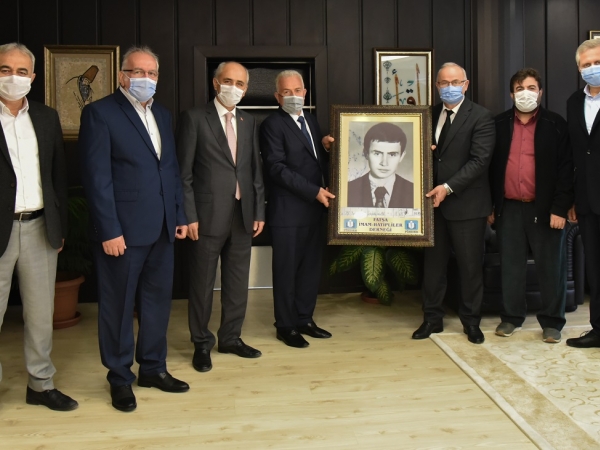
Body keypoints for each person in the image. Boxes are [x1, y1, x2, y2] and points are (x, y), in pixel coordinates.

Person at [79, 46, 189, 412]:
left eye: (152, 73)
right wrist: (109, 229)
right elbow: (97, 179)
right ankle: (120, 378)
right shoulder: (100, 113)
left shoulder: (162, 113)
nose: (145, 78)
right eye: (137, 71)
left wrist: (178, 215)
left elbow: (169, 170)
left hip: (162, 228)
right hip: (122, 233)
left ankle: (153, 368)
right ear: (122, 75)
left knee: (157, 302)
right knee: (118, 306)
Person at [0, 42, 77, 411]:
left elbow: (57, 175)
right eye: (5, 69)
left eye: (21, 71)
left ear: (32, 76)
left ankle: (41, 385)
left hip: (39, 227)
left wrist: (58, 227)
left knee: (40, 316)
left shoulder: (46, 117)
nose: (13, 77)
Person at [176, 61, 265, 372]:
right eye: (228, 81)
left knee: (237, 282)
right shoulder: (193, 118)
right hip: (205, 216)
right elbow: (184, 174)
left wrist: (259, 210)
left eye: (240, 84)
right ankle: (201, 343)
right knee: (202, 284)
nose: (234, 88)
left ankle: (230, 337)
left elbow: (254, 170)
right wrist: (188, 215)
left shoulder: (248, 121)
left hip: (243, 214)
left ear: (246, 89)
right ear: (216, 83)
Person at [412, 62, 495, 344]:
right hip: (432, 207)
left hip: (467, 205)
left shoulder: (481, 117)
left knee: (470, 268)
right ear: (436, 86)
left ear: (466, 85)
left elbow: (480, 161)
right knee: (433, 268)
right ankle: (431, 319)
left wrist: (447, 188)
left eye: (455, 82)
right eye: (444, 83)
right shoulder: (427, 115)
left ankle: (471, 322)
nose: (450, 87)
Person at [489, 68, 572, 343]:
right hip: (509, 207)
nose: (526, 93)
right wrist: (491, 206)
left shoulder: (555, 124)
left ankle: (552, 322)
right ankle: (511, 318)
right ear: (511, 94)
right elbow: (489, 168)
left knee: (551, 268)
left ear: (541, 92)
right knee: (511, 267)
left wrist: (560, 208)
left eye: (531, 87)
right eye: (520, 88)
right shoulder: (498, 124)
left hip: (546, 209)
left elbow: (566, 169)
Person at [260, 69, 334, 349]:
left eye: (297, 90)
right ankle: (286, 326)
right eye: (286, 92)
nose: (293, 96)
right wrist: (314, 191)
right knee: (286, 271)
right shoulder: (271, 125)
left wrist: (325, 147)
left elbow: (311, 160)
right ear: (277, 96)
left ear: (305, 92)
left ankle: (305, 319)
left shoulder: (311, 121)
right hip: (288, 212)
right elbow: (276, 168)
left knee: (309, 270)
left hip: (314, 210)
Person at [566, 39, 600, 348]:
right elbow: (577, 154)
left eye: (597, 63)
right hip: (588, 201)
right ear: (579, 68)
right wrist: (575, 199)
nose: (592, 68)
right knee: (595, 269)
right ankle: (598, 329)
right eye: (586, 64)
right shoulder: (574, 102)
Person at [347, 122, 414, 208]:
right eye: (377, 153)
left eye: (392, 154)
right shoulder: (347, 190)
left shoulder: (415, 192)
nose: (384, 163)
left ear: (401, 156)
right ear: (366, 153)